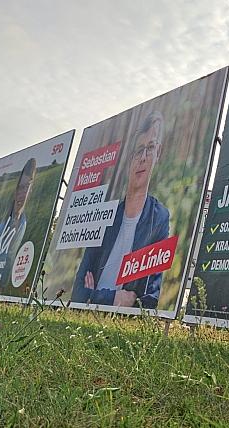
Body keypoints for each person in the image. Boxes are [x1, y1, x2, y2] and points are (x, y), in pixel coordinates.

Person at [72, 111, 170, 309]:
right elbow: (78, 292)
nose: (143, 158)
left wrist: (95, 294)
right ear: (128, 158)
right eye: (138, 150)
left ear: (158, 153)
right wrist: (113, 298)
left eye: (150, 148)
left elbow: (150, 298)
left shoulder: (159, 217)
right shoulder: (106, 216)